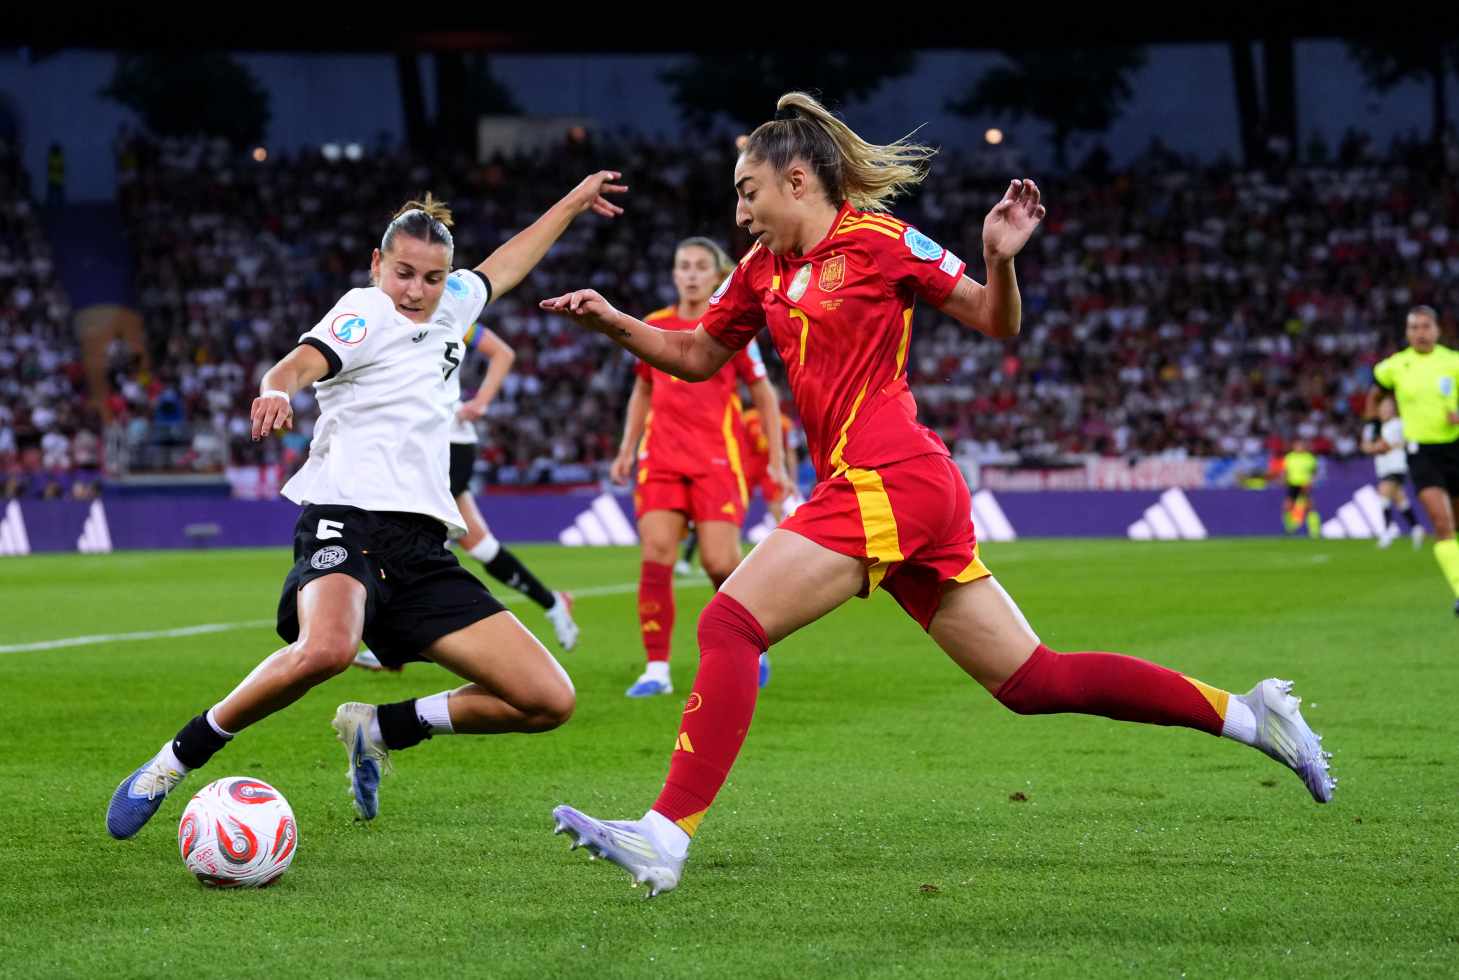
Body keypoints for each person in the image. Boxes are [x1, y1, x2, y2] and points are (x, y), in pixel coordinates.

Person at [540, 93, 1335, 897]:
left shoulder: (882, 243)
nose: (739, 213)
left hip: (892, 477)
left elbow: (995, 320)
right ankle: (1251, 715)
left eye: (748, 192)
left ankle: (665, 836)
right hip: (893, 492)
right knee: (1034, 683)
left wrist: (1001, 259)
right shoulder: (761, 270)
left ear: (797, 179)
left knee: (729, 620)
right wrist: (611, 321)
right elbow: (698, 351)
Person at [106, 171, 627, 839]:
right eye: (403, 272)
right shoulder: (365, 311)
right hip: (344, 519)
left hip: (421, 548)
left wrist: (574, 202)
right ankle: (175, 759)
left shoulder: (454, 305)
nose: (415, 290)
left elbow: (507, 263)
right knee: (328, 648)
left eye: (431, 278)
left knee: (548, 699)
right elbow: (298, 363)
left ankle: (380, 727)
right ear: (378, 264)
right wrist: (276, 389)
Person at [609, 237, 790, 698]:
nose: (690, 273)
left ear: (716, 275)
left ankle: (752, 642)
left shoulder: (729, 327)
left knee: (719, 561)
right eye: (682, 266)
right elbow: (644, 391)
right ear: (674, 275)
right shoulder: (653, 326)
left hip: (716, 460)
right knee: (657, 554)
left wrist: (775, 462)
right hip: (662, 458)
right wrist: (628, 446)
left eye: (699, 267)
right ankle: (656, 669)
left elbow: (765, 396)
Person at [352, 319, 579, 674]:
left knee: (408, 536)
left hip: (449, 443)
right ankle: (553, 603)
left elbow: (503, 353)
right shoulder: (388, 318)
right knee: (478, 543)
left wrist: (480, 402)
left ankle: (397, 641)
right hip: (425, 443)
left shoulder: (452, 317)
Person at [1364, 305, 1459, 616]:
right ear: (1407, 334)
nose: (1421, 332)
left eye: (1426, 326)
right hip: (1420, 453)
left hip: (1454, 450)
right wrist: (1372, 435)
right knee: (1443, 524)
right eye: (1414, 327)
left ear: (1436, 330)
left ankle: (1456, 567)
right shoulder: (1394, 366)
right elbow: (1374, 397)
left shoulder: (1453, 361)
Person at [1359, 397, 1423, 550]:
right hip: (1383, 467)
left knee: (1383, 495)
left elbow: (1406, 443)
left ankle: (1387, 531)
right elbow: (1366, 446)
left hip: (1397, 465)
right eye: (1383, 407)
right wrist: (1375, 447)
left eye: (1389, 407)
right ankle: (1416, 529)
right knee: (1400, 500)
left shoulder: (1398, 424)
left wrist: (1386, 446)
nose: (1386, 410)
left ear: (1394, 409)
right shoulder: (1376, 427)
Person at [1274, 438, 1320, 537]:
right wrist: (1283, 479)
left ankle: (1315, 531)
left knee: (1309, 508)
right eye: (1296, 445)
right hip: (1293, 484)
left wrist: (1310, 482)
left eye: (1300, 445)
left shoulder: (1309, 458)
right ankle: (1289, 529)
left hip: (1304, 485)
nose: (1298, 447)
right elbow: (1285, 471)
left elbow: (1314, 472)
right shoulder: (1289, 457)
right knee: (1287, 507)